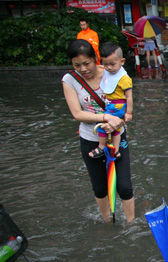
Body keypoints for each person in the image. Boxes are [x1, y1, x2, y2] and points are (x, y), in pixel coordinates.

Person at [62, 40, 135, 222]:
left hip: (117, 136)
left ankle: (131, 223)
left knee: (125, 186)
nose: (83, 69)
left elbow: (126, 101)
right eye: (77, 65)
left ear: (96, 59)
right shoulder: (70, 80)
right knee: (100, 187)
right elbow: (77, 114)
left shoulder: (112, 71)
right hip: (90, 138)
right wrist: (106, 118)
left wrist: (116, 122)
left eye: (87, 63)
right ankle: (107, 221)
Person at [88, 42, 133, 160]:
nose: (109, 68)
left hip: (117, 105)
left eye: (113, 64)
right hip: (111, 104)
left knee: (103, 126)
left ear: (122, 61)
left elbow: (129, 96)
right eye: (106, 64)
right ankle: (116, 150)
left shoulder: (123, 78)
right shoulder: (108, 72)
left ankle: (101, 147)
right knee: (116, 130)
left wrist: (128, 113)